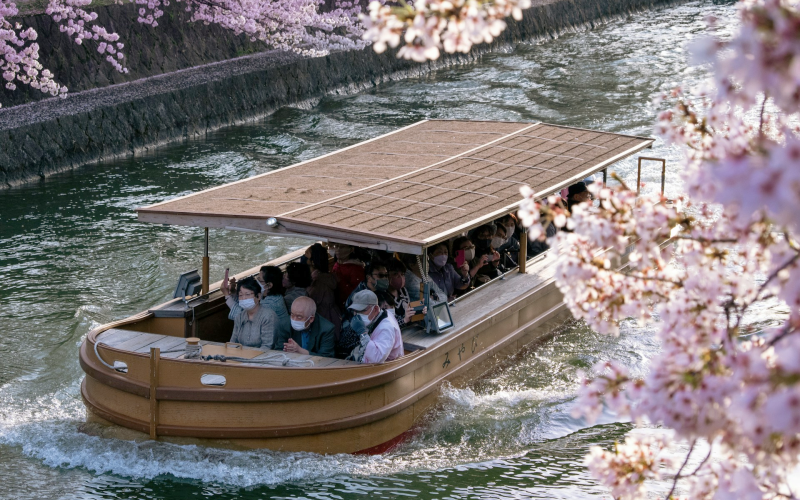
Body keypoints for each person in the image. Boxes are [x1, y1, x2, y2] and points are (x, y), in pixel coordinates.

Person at [222, 267, 290, 340]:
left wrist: (227, 295)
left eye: (260, 280)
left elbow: (243, 315)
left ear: (269, 285)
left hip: (277, 346)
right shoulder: (265, 295)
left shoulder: (273, 302)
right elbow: (245, 306)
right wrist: (233, 292)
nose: (256, 282)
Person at [346, 290, 403, 363]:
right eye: (356, 311)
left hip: (385, 370)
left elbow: (377, 359)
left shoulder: (386, 327)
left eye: (362, 310)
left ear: (375, 309)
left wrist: (362, 333)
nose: (358, 315)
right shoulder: (377, 317)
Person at [225, 277, 277, 350]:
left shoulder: (268, 316)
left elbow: (267, 346)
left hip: (262, 358)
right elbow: (233, 343)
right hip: (241, 357)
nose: (244, 298)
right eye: (240, 295)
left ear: (258, 296)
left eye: (247, 294)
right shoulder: (239, 317)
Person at [306, 243, 342, 339]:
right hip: (334, 318)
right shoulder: (329, 277)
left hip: (323, 321)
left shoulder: (317, 283)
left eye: (307, 258)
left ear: (312, 262)